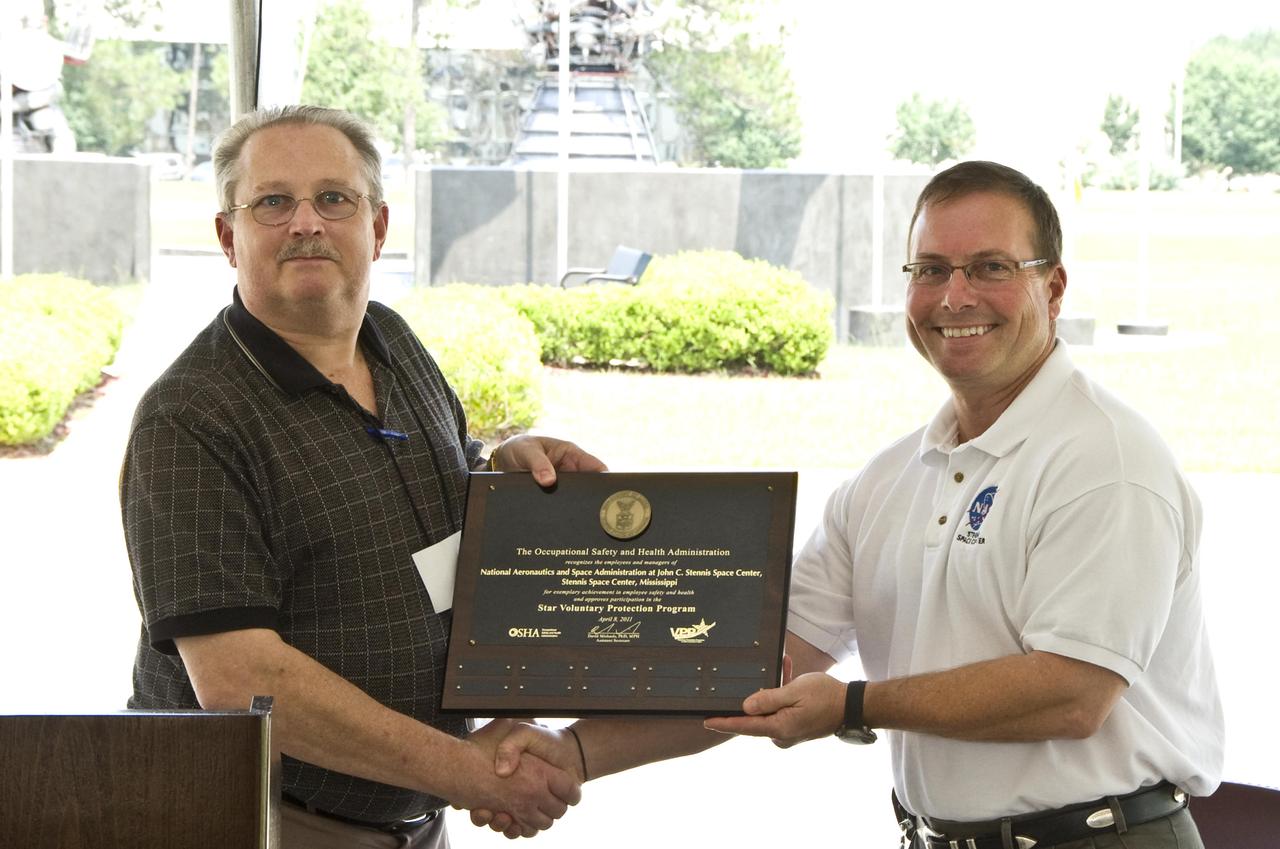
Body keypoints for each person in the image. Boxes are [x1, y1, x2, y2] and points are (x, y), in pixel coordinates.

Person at [481, 161, 1224, 849]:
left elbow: (1071, 694)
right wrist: (573, 751)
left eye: (990, 267)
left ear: (1053, 289)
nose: (954, 296)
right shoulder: (888, 480)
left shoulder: (1105, 463)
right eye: (930, 269)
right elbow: (760, 664)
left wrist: (855, 704)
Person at [121, 105, 604, 848]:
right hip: (258, 823)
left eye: (333, 198)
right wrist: (469, 772)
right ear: (228, 236)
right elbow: (240, 678)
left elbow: (433, 504)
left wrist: (502, 469)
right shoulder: (190, 418)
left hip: (413, 821)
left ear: (376, 227)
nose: (305, 223)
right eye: (272, 201)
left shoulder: (393, 342)